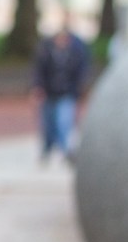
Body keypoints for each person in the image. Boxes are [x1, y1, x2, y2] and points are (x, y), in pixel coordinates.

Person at [31, 15, 92, 163]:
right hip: (50, 92)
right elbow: (39, 70)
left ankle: (65, 150)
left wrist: (78, 87)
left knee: (64, 121)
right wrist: (38, 87)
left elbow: (81, 71)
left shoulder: (75, 52)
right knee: (49, 122)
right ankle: (47, 148)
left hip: (67, 92)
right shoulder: (46, 50)